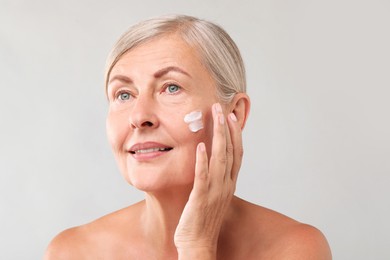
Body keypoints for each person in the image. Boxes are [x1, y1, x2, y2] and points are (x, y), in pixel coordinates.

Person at [45, 15, 332, 259]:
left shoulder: (293, 249)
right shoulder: (73, 252)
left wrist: (197, 247)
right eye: (124, 94)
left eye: (171, 88)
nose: (138, 116)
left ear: (235, 113)